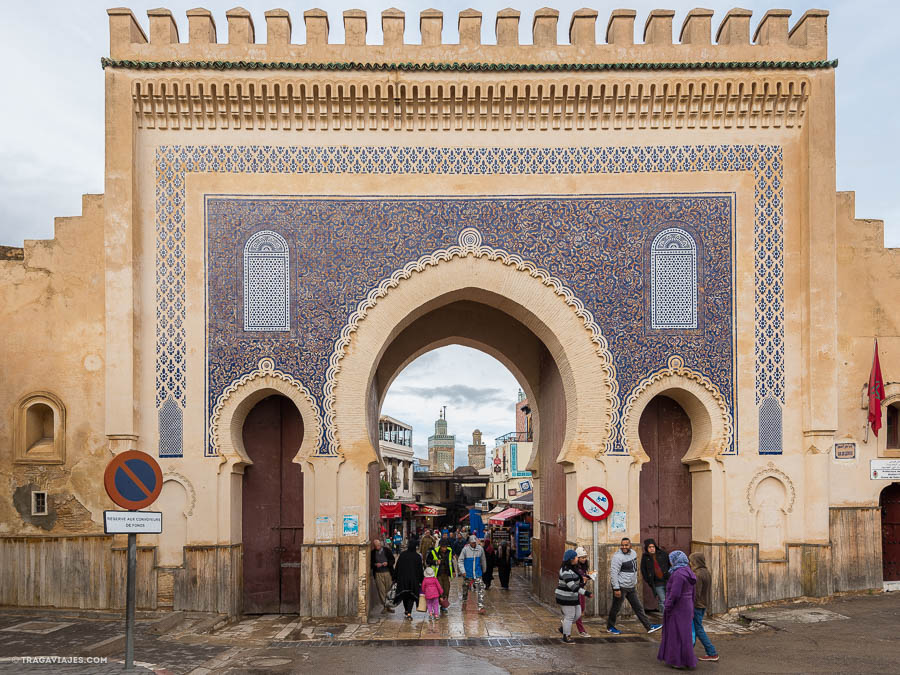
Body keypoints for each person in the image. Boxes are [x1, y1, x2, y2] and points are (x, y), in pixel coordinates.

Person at [607, 537, 662, 635]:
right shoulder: (617, 557)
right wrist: (616, 588)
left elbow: (634, 569)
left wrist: (634, 581)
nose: (624, 547)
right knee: (616, 608)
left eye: (626, 545)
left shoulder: (633, 553)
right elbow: (613, 573)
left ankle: (649, 626)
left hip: (631, 587)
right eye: (622, 545)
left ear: (630, 545)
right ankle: (610, 627)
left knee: (638, 607)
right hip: (621, 587)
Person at [658, 550, 698, 669]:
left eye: (671, 560)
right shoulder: (688, 572)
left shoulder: (678, 574)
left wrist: (668, 607)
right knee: (684, 634)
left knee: (676, 634)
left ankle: (679, 660)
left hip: (678, 608)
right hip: (687, 606)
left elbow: (674, 594)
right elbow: (693, 593)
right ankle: (685, 659)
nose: (670, 562)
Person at [556, 549, 591, 644]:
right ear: (571, 559)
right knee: (570, 616)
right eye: (576, 557)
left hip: (573, 597)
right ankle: (566, 636)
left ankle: (564, 627)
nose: (577, 558)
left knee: (578, 614)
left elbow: (577, 580)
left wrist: (584, 579)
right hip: (565, 597)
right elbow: (572, 586)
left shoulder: (573, 568)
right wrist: (586, 593)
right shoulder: (565, 571)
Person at [689, 552, 719, 662]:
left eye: (691, 560)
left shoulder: (697, 574)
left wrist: (690, 606)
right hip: (703, 604)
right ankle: (689, 650)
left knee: (698, 629)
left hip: (697, 605)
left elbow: (696, 593)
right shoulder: (706, 572)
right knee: (696, 629)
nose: (690, 562)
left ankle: (712, 652)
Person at [394, 540, 424, 620]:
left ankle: (406, 610)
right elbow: (420, 569)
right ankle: (409, 613)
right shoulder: (417, 556)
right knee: (411, 595)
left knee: (405, 595)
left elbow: (397, 566)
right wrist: (422, 579)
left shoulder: (403, 555)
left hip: (403, 579)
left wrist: (395, 577)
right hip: (413, 580)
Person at [458, 535, 488, 613]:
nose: (474, 544)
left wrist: (484, 569)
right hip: (468, 573)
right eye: (472, 543)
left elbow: (483, 559)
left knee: (481, 589)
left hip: (477, 573)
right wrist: (463, 571)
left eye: (475, 543)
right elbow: (460, 561)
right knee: (465, 588)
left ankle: (481, 606)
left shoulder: (480, 549)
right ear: (469, 542)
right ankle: (464, 601)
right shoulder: (465, 550)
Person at [426, 538, 455, 613]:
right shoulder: (434, 552)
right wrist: (435, 562)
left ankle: (443, 605)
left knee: (446, 589)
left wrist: (453, 571)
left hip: (446, 574)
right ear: (440, 546)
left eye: (445, 547)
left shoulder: (449, 551)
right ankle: (439, 604)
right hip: (437, 575)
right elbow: (427, 561)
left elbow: (450, 562)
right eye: (443, 547)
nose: (444, 549)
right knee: (440, 590)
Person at [641, 538, 670, 613]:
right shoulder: (645, 557)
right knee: (662, 600)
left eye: (653, 547)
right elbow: (643, 570)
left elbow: (669, 565)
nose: (651, 549)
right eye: (649, 547)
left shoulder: (663, 554)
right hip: (657, 583)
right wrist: (649, 580)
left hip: (667, 581)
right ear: (647, 548)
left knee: (669, 599)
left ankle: (670, 617)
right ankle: (665, 617)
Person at [370, 539, 396, 614]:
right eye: (375, 546)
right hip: (378, 574)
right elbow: (371, 563)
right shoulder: (372, 553)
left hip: (387, 572)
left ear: (380, 545)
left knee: (388, 590)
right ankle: (385, 606)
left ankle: (389, 606)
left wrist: (387, 563)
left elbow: (392, 560)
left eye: (378, 545)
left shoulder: (387, 550)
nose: (377, 547)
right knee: (381, 590)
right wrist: (375, 564)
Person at [573, 546, 593, 637]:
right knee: (579, 611)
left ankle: (566, 622)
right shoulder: (574, 568)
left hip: (581, 591)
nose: (584, 559)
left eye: (585, 557)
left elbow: (584, 576)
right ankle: (581, 630)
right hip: (575, 591)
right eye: (582, 558)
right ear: (577, 558)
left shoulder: (584, 565)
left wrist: (589, 576)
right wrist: (582, 580)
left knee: (581, 609)